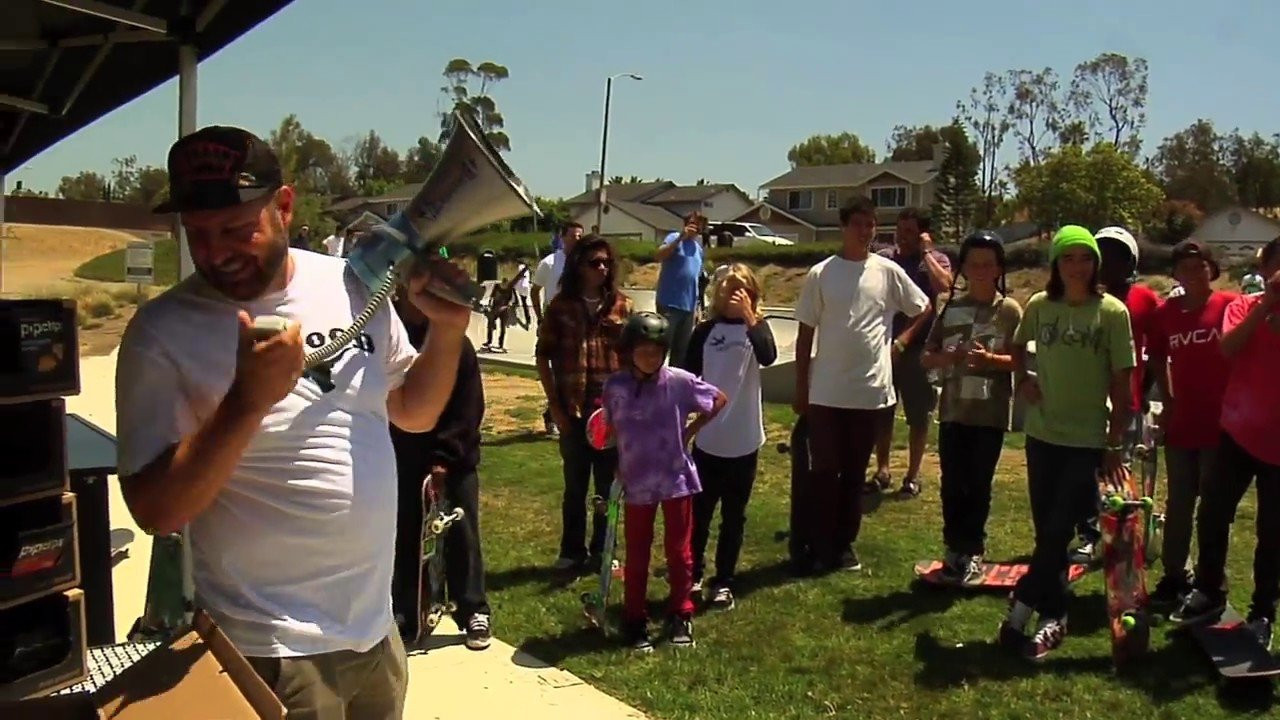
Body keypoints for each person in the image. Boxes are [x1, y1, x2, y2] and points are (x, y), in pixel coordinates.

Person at [115, 126, 474, 717]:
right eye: (198, 235)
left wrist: (449, 331)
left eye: (237, 229)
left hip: (374, 633)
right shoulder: (162, 334)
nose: (217, 252)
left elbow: (413, 412)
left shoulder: (351, 283)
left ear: (284, 206)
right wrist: (247, 402)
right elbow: (157, 511)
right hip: (269, 650)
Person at [1000, 225, 1135, 661]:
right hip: (1042, 435)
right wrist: (1024, 380)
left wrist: (1114, 443)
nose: (1077, 267)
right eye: (1068, 258)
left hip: (1086, 438)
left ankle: (1022, 606)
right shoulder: (1041, 306)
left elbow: (1122, 381)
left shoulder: (1112, 312)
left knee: (1058, 529)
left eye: (1085, 257)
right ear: (1056, 264)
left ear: (1096, 263)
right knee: (1049, 534)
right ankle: (1055, 615)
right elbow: (1016, 346)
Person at [793, 196, 929, 574]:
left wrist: (900, 343)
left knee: (855, 474)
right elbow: (805, 336)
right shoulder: (821, 273)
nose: (865, 231)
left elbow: (924, 306)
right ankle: (818, 547)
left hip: (870, 393)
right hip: (826, 394)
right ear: (843, 226)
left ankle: (844, 546)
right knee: (823, 473)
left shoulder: (887, 271)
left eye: (870, 224)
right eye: (858, 224)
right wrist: (801, 388)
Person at [1172, 236, 1280, 649]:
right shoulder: (1243, 306)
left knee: (1272, 533)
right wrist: (1267, 304)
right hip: (1237, 434)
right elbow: (1229, 348)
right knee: (1213, 513)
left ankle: (1263, 612)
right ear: (1266, 268)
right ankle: (1209, 590)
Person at [601, 311, 727, 651]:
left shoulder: (679, 381)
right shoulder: (615, 387)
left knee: (679, 550)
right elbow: (611, 428)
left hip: (675, 478)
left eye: (656, 351)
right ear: (629, 350)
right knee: (637, 551)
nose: (650, 357)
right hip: (636, 479)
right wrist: (617, 459)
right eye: (643, 350)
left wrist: (690, 431)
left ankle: (680, 612)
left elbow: (717, 399)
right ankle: (634, 616)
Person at [388, 281, 492, 651]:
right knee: (407, 536)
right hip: (403, 458)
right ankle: (408, 611)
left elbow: (468, 408)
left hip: (455, 458)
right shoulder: (392, 342)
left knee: (462, 535)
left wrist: (444, 458)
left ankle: (473, 611)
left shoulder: (453, 343)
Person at [919, 231, 1022, 583]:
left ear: (998, 269)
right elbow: (926, 357)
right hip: (952, 411)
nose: (980, 270)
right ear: (963, 267)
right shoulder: (951, 307)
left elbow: (1022, 360)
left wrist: (991, 359)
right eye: (973, 263)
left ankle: (974, 550)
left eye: (987, 264)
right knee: (952, 484)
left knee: (978, 484)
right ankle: (953, 549)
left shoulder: (1009, 310)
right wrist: (947, 357)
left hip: (989, 415)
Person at [1144, 240, 1237, 609]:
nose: (1192, 273)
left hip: (1223, 425)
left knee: (1214, 508)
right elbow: (1157, 359)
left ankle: (1211, 578)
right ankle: (1173, 576)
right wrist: (1167, 402)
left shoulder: (1230, 306)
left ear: (1211, 270)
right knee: (1179, 503)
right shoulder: (1165, 314)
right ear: (1175, 274)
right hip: (1183, 423)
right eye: (1184, 267)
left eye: (1199, 267)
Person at [682, 263, 777, 609]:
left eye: (742, 289)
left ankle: (724, 579)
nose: (734, 295)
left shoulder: (757, 330)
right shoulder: (706, 330)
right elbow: (687, 375)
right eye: (728, 288)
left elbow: (768, 355)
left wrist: (751, 317)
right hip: (709, 440)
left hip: (745, 439)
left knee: (734, 516)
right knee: (701, 513)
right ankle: (692, 574)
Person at [535, 236, 633, 571]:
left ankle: (605, 551)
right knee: (575, 487)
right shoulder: (561, 306)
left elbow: (635, 360)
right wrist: (556, 409)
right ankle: (571, 551)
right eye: (594, 262)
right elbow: (542, 357)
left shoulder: (622, 306)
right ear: (579, 265)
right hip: (572, 410)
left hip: (611, 412)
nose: (602, 269)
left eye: (606, 262)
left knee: (608, 487)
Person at [1068, 226, 1160, 562]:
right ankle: (1090, 534)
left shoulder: (1145, 299)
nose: (1109, 262)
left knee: (1119, 472)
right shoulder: (1083, 298)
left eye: (1118, 255)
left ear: (1130, 261)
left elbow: (1158, 349)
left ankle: (1122, 537)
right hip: (1086, 400)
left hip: (1127, 402)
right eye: (1102, 254)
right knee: (1085, 473)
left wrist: (1145, 387)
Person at [872, 208, 953, 497]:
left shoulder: (935, 259)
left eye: (909, 231)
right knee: (883, 412)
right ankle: (882, 470)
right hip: (885, 347)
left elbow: (944, 286)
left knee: (919, 416)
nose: (901, 236)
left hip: (922, 350)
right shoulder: (885, 259)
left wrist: (926, 252)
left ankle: (913, 475)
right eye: (899, 229)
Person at [533, 221, 585, 437]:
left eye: (580, 236)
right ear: (562, 237)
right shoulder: (550, 263)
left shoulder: (584, 263)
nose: (577, 239)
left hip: (577, 324)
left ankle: (571, 414)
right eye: (573, 235)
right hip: (554, 325)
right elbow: (535, 290)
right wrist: (540, 318)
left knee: (574, 373)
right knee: (555, 372)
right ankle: (551, 415)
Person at [655, 212, 708, 367]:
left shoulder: (698, 249)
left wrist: (698, 307)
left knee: (681, 352)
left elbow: (696, 279)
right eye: (691, 223)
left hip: (688, 308)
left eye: (698, 224)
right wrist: (680, 238)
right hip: (669, 304)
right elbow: (659, 255)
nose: (694, 227)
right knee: (661, 348)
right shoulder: (673, 238)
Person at [482, 273, 519, 353]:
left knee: (502, 327)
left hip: (504, 310)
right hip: (495, 308)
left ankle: (501, 344)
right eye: (503, 284)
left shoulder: (511, 289)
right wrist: (489, 305)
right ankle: (489, 341)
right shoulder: (497, 287)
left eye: (505, 285)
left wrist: (507, 306)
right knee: (490, 324)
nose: (504, 286)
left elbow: (515, 301)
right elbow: (491, 297)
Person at [513, 259, 533, 328]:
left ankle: (516, 301)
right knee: (524, 302)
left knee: (512, 287)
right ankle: (528, 320)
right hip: (526, 286)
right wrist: (530, 281)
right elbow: (530, 276)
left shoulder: (520, 266)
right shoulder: (528, 269)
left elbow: (521, 274)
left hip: (521, 286)